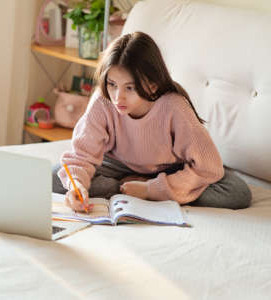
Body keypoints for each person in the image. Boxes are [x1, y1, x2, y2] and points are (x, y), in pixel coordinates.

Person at [52, 31, 251, 212]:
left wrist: (152, 189)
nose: (117, 98)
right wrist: (77, 187)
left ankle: (143, 188)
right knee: (54, 177)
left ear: (153, 85)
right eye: (112, 84)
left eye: (130, 88)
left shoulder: (174, 107)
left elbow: (209, 166)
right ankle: (127, 185)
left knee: (236, 193)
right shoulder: (103, 100)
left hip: (169, 169)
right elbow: (81, 157)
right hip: (117, 165)